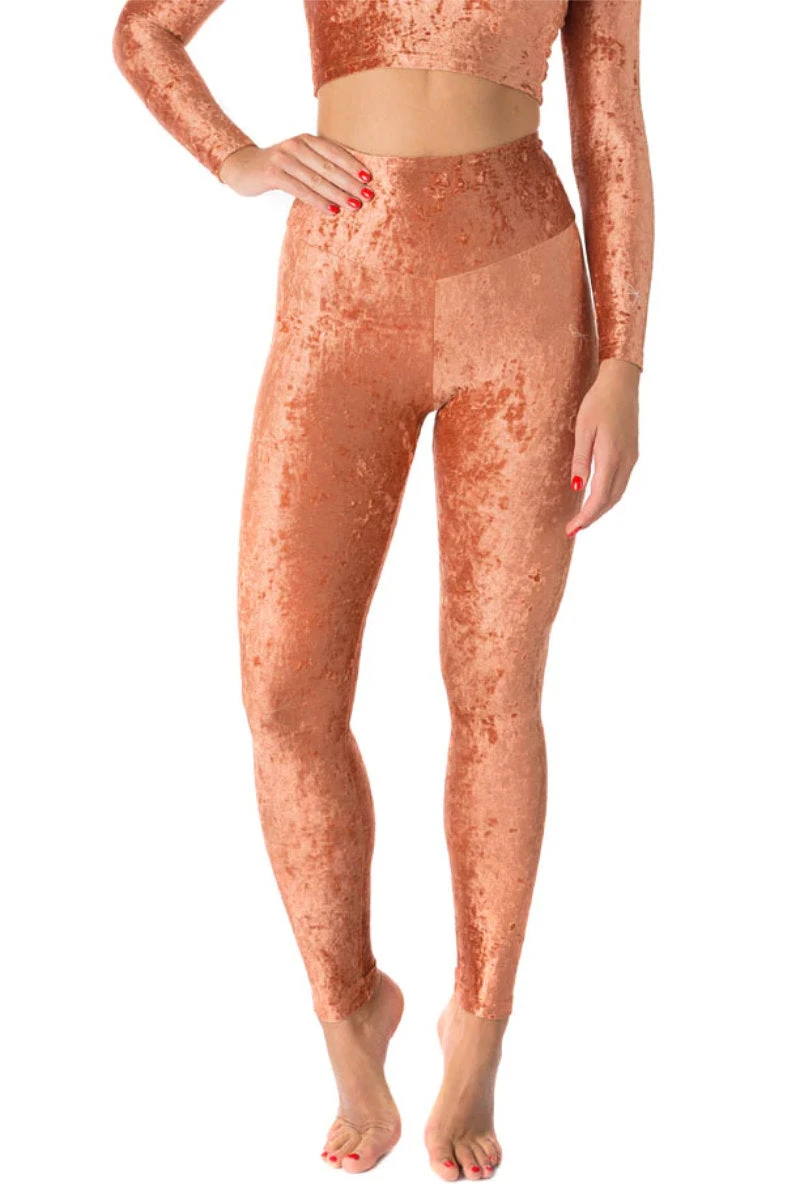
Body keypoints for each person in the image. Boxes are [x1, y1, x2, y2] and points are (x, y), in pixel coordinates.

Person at [112, 0, 654, 1181]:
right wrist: (234, 156)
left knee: (494, 686)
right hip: (340, 290)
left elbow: (608, 125)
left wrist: (621, 362)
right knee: (283, 692)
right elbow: (146, 30)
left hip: (522, 296)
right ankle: (349, 1002)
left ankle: (479, 1024)